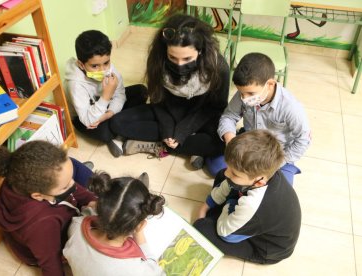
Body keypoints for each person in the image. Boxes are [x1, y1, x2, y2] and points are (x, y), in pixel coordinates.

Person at [110, 14, 230, 171]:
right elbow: (157, 100)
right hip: (168, 109)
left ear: (200, 51)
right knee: (117, 123)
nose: (179, 65)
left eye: (187, 59)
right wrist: (167, 129)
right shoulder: (157, 60)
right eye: (172, 57)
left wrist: (182, 132)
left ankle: (162, 145)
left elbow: (216, 108)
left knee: (223, 142)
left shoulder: (218, 67)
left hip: (200, 113)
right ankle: (190, 148)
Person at [194, 130, 302, 264]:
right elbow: (227, 181)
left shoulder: (252, 205)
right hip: (256, 216)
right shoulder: (264, 173)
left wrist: (231, 203)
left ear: (259, 181)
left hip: (266, 249)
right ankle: (228, 214)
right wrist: (206, 206)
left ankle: (227, 215)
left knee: (201, 229)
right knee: (222, 176)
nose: (228, 173)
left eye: (234, 173)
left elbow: (225, 233)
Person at [0, 140, 96, 276]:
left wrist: (91, 200)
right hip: (45, 244)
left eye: (70, 179)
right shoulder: (42, 225)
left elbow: (74, 189)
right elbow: (50, 263)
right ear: (38, 196)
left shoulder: (17, 178)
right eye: (65, 186)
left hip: (49, 216)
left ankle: (68, 176)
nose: (73, 185)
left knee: (74, 166)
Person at [217, 52, 311, 184]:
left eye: (250, 93)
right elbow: (229, 116)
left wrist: (276, 163)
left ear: (270, 84)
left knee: (277, 189)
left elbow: (303, 140)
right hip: (248, 146)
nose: (244, 98)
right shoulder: (244, 93)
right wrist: (230, 141)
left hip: (277, 154)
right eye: (241, 93)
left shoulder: (291, 108)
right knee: (219, 170)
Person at [63, 172, 165, 276]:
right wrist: (139, 233)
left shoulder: (76, 225)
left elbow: (88, 212)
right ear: (140, 225)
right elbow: (155, 270)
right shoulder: (135, 270)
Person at [65, 30, 148, 157]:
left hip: (104, 113)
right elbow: (88, 120)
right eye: (95, 66)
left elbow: (120, 94)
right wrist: (106, 96)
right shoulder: (75, 84)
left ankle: (119, 131)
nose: (103, 70)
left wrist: (109, 114)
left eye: (106, 63)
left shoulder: (109, 68)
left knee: (141, 91)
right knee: (104, 133)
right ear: (81, 64)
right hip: (85, 118)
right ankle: (120, 132)